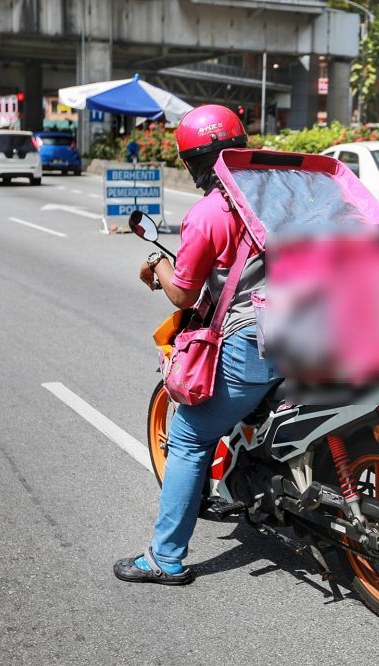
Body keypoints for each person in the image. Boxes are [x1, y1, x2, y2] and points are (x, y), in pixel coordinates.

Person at [114, 105, 278, 585]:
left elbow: (185, 292)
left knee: (187, 436)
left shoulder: (209, 213)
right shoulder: (279, 193)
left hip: (260, 340)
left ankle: (165, 558)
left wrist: (156, 266)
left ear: (192, 164)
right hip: (320, 327)